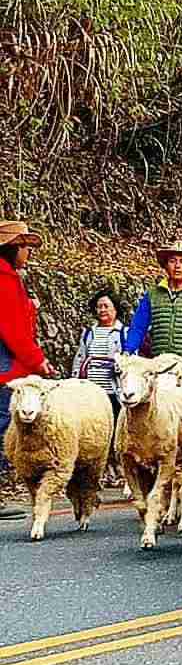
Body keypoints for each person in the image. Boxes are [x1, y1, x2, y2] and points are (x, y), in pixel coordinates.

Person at [0, 221, 56, 516]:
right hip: (6, 366)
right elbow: (12, 329)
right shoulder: (4, 279)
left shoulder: (11, 277)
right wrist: (38, 360)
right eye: (24, 247)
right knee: (1, 423)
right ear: (12, 248)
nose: (28, 252)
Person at [73, 291, 128, 415]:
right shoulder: (88, 333)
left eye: (106, 306)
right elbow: (80, 359)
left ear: (115, 309)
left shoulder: (124, 333)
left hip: (114, 391)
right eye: (99, 307)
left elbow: (130, 362)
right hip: (90, 392)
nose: (102, 310)